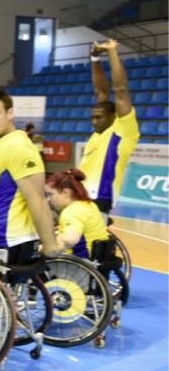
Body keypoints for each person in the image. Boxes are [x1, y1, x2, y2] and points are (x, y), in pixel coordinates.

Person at [0, 88, 61, 263]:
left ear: (9, 113)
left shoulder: (17, 146)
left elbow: (37, 198)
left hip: (7, 240)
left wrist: (49, 245)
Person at [79, 39, 140, 214]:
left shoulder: (123, 130)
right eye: (92, 117)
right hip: (80, 194)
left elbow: (120, 89)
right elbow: (101, 91)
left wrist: (112, 51)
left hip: (100, 198)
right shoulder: (99, 133)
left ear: (114, 117)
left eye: (98, 117)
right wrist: (95, 58)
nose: (94, 121)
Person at [45, 169, 110, 259]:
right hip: (98, 259)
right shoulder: (89, 204)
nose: (48, 199)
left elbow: (70, 239)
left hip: (76, 263)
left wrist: (50, 240)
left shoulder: (71, 212)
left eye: (50, 194)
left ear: (65, 193)